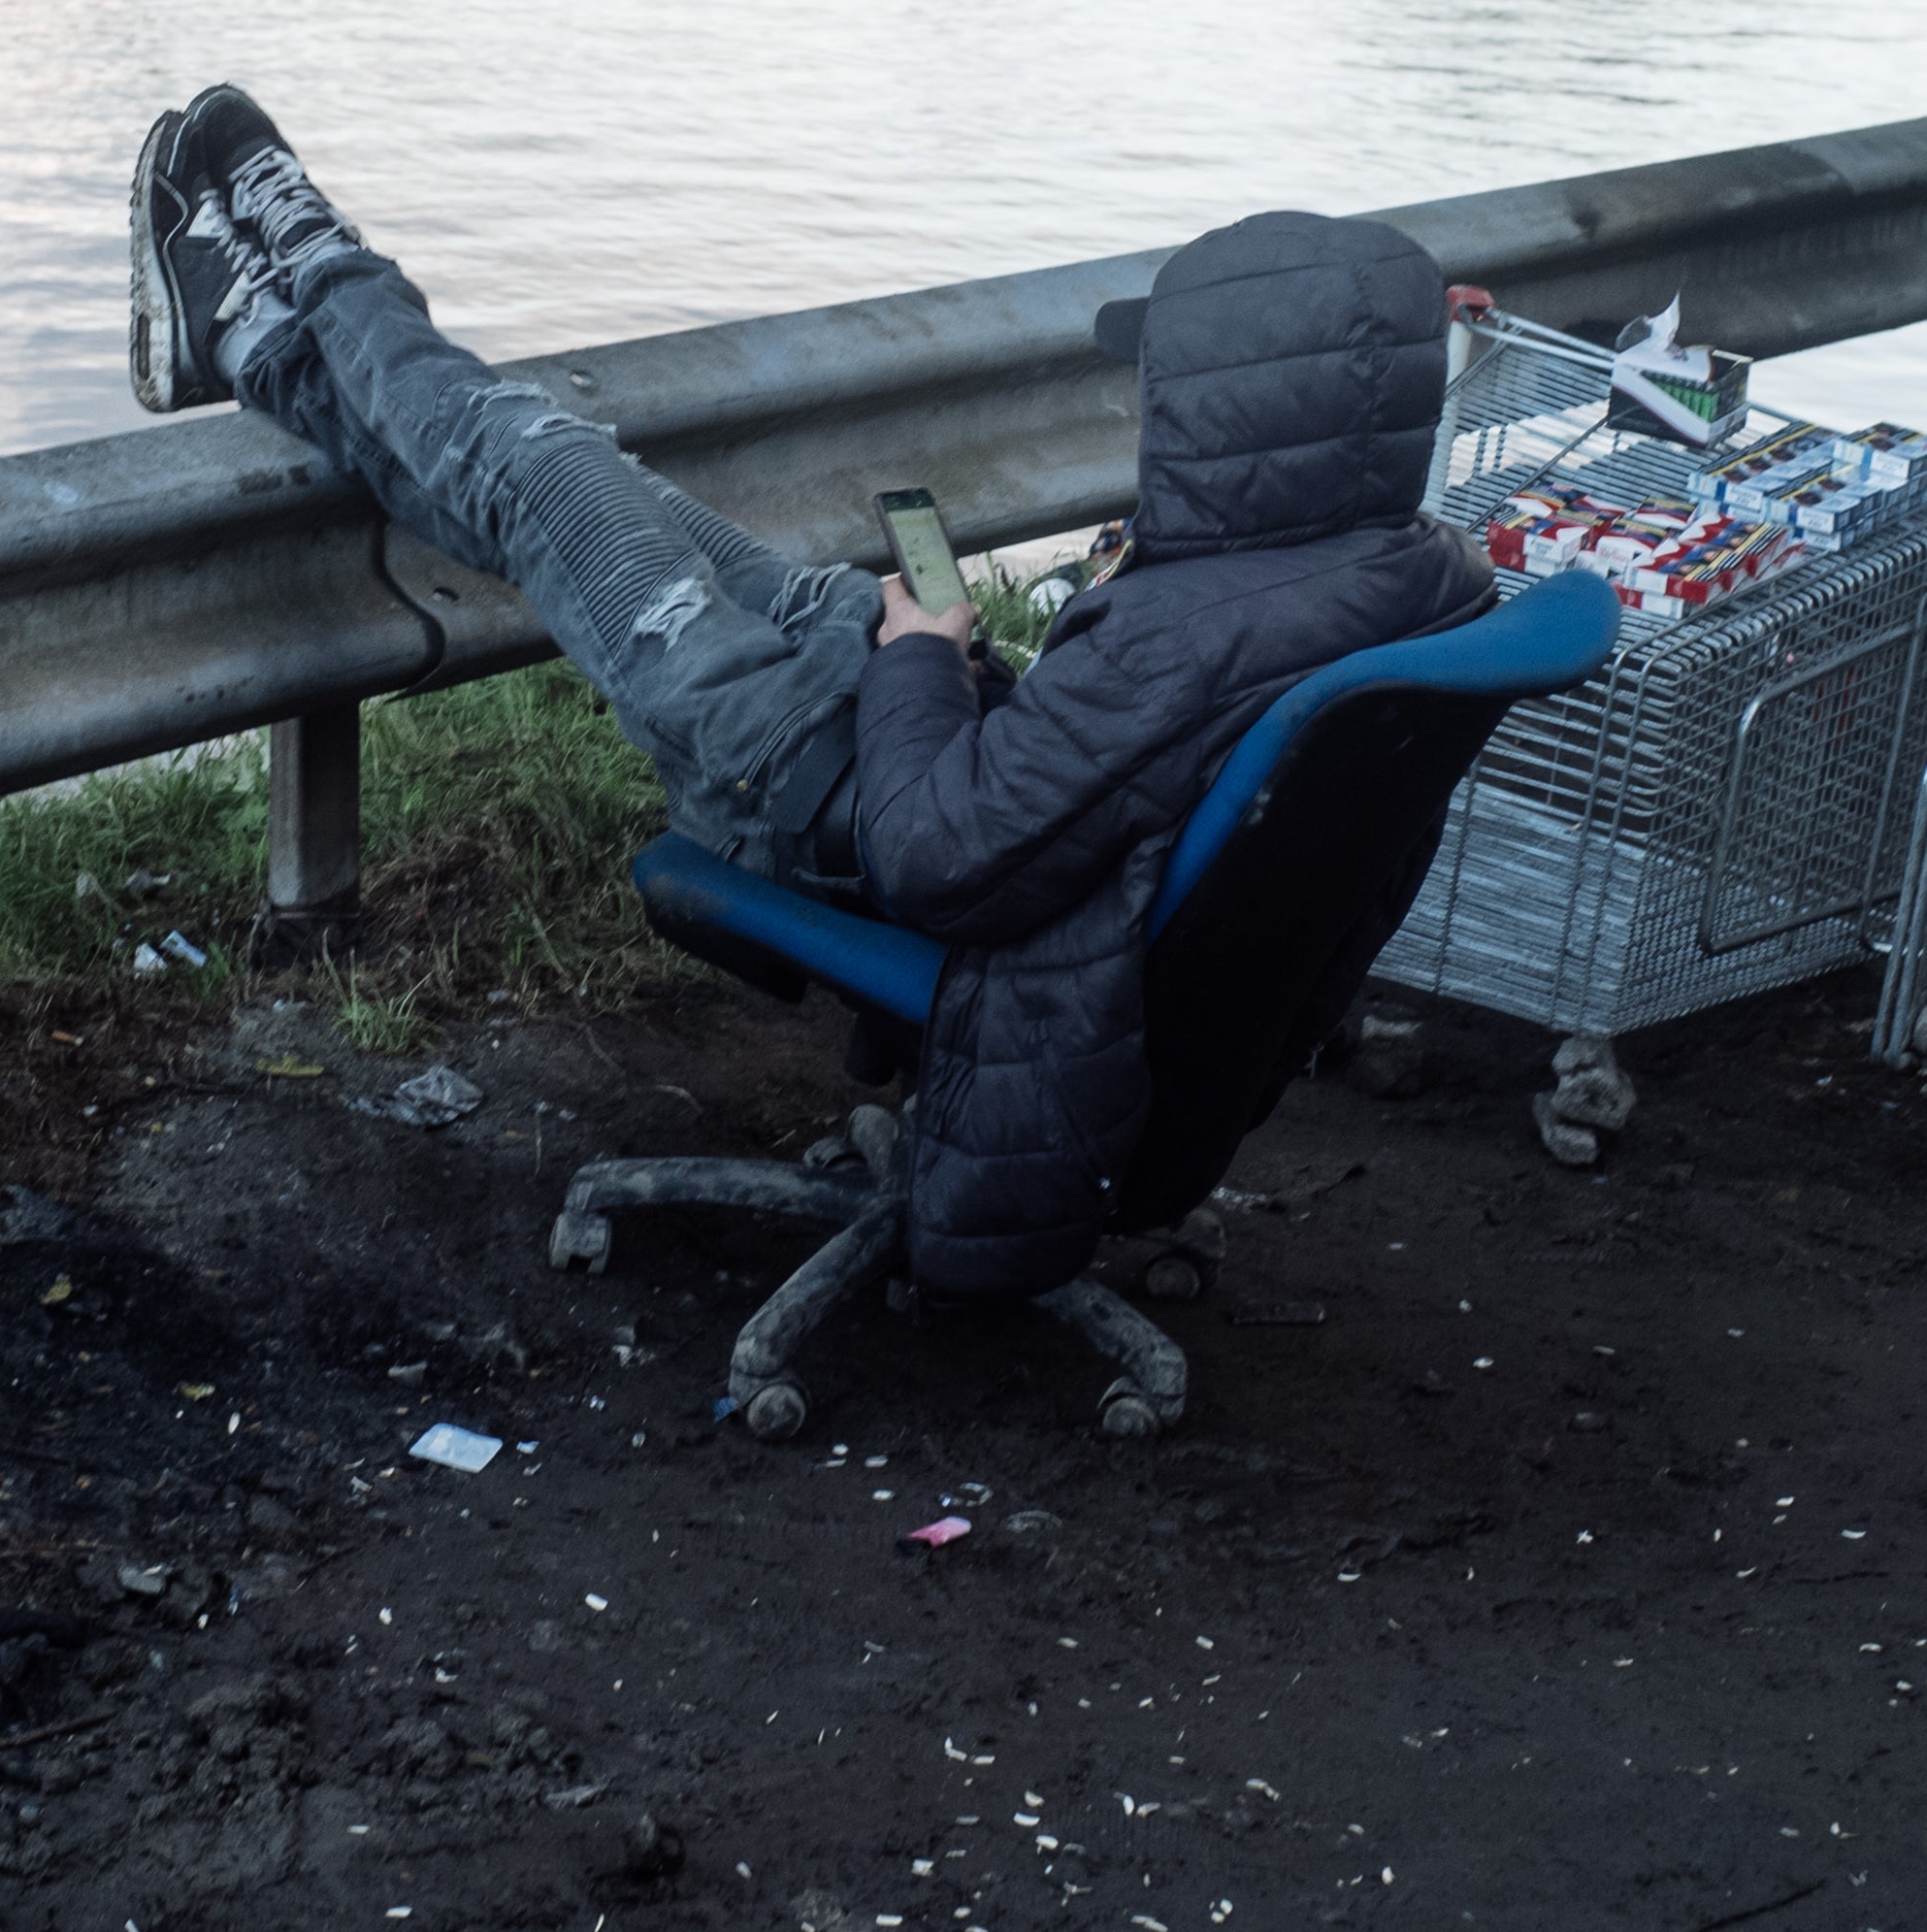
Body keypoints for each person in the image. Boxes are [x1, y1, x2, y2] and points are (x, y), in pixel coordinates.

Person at [128, 88, 1490, 1297]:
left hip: (822, 798)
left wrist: (913, 662)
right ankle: (260, 339)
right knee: (583, 485)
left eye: (1167, 390)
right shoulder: (1409, 577)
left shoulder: (1193, 638)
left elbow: (937, 852)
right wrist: (934, 656)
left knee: (540, 470)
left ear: (1241, 420)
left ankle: (306, 262)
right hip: (982, 780)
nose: (1147, 411)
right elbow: (1095, 776)